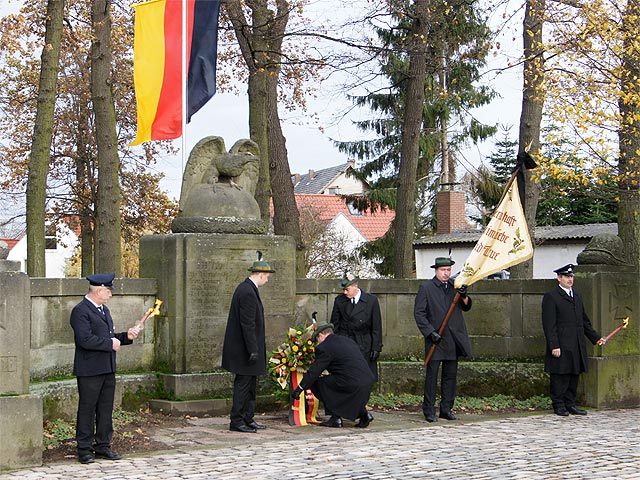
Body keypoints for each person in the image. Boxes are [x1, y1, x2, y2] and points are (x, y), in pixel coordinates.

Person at [70, 273, 142, 464]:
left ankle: (102, 445)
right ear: (99, 290)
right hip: (90, 369)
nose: (110, 294)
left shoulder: (104, 310)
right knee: (87, 409)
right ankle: (84, 448)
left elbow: (110, 336)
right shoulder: (81, 311)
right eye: (109, 291)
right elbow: (84, 339)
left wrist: (126, 337)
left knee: (105, 408)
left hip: (107, 367)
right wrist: (110, 343)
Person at [542, 264, 607, 416]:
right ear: (559, 278)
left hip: (576, 343)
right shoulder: (551, 297)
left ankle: (570, 404)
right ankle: (559, 405)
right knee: (560, 375)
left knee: (573, 374)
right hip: (561, 344)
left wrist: (596, 338)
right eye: (567, 276)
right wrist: (554, 345)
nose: (570, 279)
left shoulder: (576, 296)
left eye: (571, 277)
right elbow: (549, 324)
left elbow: (584, 321)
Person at [221, 252, 275, 433]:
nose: (267, 280)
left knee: (251, 385)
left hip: (248, 349)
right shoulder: (247, 292)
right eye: (266, 277)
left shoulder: (248, 289)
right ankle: (237, 420)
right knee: (243, 385)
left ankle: (247, 417)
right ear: (260, 275)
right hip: (244, 350)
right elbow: (247, 324)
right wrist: (253, 349)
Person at [414, 256, 472, 423]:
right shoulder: (426, 288)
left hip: (453, 338)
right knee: (432, 376)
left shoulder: (456, 286)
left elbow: (466, 306)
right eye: (443, 270)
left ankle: (446, 408)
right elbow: (419, 313)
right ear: (436, 271)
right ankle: (429, 410)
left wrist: (464, 296)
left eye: (448, 270)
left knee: (450, 376)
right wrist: (430, 332)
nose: (446, 273)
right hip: (436, 339)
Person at [293, 323, 375, 428]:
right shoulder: (347, 341)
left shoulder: (325, 347)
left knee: (319, 384)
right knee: (336, 387)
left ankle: (335, 418)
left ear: (321, 335)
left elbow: (314, 372)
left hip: (352, 383)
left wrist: (299, 389)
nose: (317, 343)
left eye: (317, 339)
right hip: (367, 381)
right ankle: (363, 414)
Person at [330, 271, 383, 379]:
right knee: (346, 376)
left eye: (347, 289)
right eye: (343, 289)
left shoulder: (371, 301)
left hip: (364, 343)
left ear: (355, 286)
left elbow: (376, 326)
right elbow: (334, 325)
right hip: (346, 341)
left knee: (364, 376)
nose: (344, 292)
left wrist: (376, 348)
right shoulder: (339, 301)